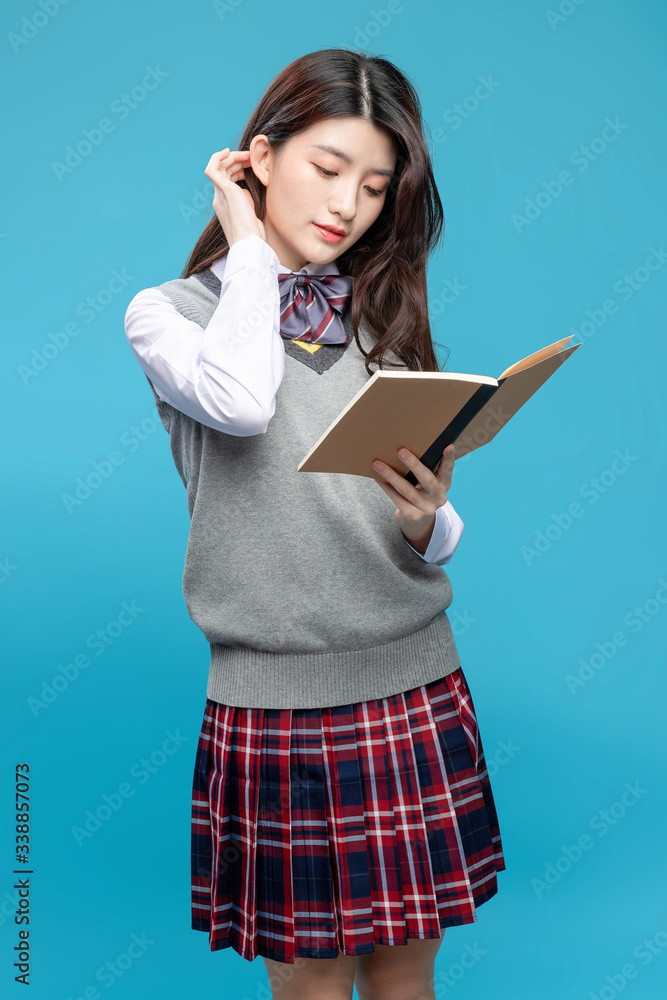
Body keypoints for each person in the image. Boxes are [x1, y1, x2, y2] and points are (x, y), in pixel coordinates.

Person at [124, 47, 505, 1000]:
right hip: (278, 703)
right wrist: (247, 244)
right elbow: (245, 402)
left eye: (374, 188)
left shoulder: (377, 320)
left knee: (409, 976)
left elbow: (422, 529)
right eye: (327, 169)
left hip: (414, 680)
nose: (349, 205)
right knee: (311, 985)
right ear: (260, 156)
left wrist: (426, 521)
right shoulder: (167, 317)